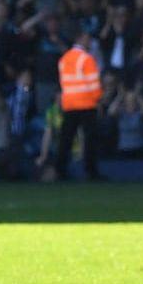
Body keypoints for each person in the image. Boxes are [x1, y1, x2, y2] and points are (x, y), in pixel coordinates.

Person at [56, 28, 104, 181]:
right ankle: (91, 171)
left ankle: (61, 170)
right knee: (90, 139)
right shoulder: (87, 59)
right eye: (87, 37)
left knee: (66, 139)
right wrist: (98, 100)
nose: (89, 41)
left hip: (69, 103)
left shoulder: (64, 59)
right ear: (81, 38)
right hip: (86, 103)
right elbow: (93, 85)